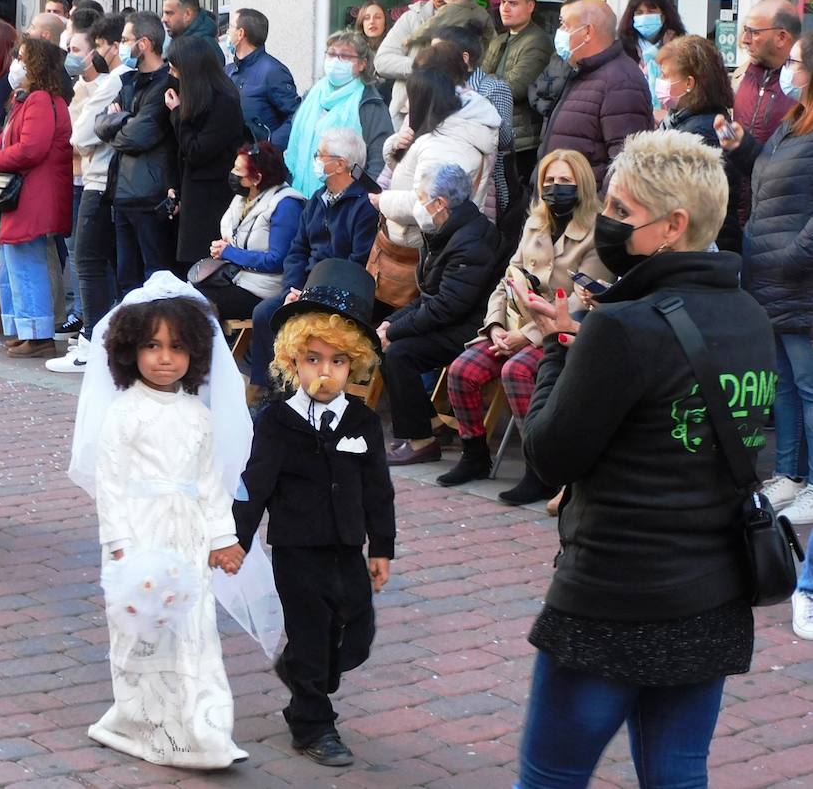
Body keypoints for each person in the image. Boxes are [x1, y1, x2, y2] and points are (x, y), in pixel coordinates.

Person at [514, 129, 775, 788]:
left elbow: (549, 452)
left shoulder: (623, 324)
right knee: (678, 773)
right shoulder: (749, 315)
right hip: (711, 591)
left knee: (551, 775)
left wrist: (553, 346)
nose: (607, 221)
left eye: (623, 212)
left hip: (612, 592)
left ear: (673, 226)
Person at [72, 281, 249, 770]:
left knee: (194, 628)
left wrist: (222, 537)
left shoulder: (198, 416)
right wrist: (121, 546)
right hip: (141, 533)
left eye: (176, 347)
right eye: (152, 346)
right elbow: (110, 484)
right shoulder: (124, 413)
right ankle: (138, 720)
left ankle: (204, 730)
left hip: (188, 534)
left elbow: (210, 481)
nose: (164, 359)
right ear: (130, 351)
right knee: (141, 631)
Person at [234, 258, 394, 767]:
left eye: (337, 362)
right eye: (312, 360)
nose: (324, 373)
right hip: (297, 549)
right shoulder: (277, 422)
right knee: (309, 634)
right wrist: (235, 540)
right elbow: (254, 485)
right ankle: (313, 723)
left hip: (347, 545)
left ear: (355, 365)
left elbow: (378, 490)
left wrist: (382, 547)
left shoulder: (363, 422)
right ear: (292, 362)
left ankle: (307, 673)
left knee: (356, 633)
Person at [438, 148, 606, 502]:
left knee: (516, 371)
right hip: (514, 321)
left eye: (565, 181)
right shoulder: (535, 223)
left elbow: (581, 300)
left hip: (560, 330)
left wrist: (527, 336)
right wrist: (496, 325)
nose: (555, 187)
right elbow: (507, 279)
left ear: (582, 185)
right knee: (461, 370)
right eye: (549, 180)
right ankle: (474, 454)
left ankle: (539, 468)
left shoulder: (596, 233)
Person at [719, 30, 813, 529]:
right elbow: (772, 176)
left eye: (797, 64)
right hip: (771, 271)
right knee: (784, 385)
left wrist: (796, 256)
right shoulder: (795, 122)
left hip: (797, 277)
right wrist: (742, 148)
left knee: (808, 384)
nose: (789, 74)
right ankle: (789, 474)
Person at [374, 161, 500, 465]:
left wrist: (393, 332)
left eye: (421, 198)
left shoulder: (470, 240)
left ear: (440, 203)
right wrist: (391, 322)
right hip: (455, 319)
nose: (419, 204)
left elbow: (446, 306)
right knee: (390, 342)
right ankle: (428, 424)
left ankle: (422, 441)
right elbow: (430, 295)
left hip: (475, 328)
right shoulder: (450, 231)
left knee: (399, 353)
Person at [249, 127, 380, 393]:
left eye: (320, 156)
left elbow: (357, 262)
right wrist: (292, 290)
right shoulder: (318, 199)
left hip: (342, 294)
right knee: (265, 313)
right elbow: (298, 250)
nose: (316, 161)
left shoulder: (365, 205)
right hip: (307, 286)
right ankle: (272, 390)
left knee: (304, 323)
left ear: (340, 164)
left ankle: (307, 388)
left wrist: (316, 294)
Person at [48, 14, 130, 374]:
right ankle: (91, 338)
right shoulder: (100, 85)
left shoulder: (116, 81)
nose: (87, 55)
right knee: (92, 262)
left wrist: (101, 125)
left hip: (99, 180)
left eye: (93, 46)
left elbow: (80, 135)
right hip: (98, 177)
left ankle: (94, 340)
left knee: (89, 262)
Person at [0, 37, 73, 359]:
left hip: (35, 193)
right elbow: (10, 137)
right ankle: (26, 330)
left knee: (26, 262)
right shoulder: (28, 99)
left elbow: (31, 148)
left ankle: (38, 335)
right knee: (14, 261)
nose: (16, 64)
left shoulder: (39, 100)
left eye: (22, 58)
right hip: (29, 192)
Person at [371, 57, 500, 253]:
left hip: (422, 247)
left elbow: (429, 205)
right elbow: (410, 170)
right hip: (429, 245)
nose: (406, 104)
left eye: (411, 97)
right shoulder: (448, 129)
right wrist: (396, 144)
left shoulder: (444, 145)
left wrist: (383, 201)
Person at [95, 12, 178, 293]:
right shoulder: (128, 81)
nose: (120, 46)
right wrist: (123, 120)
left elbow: (139, 136)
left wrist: (119, 122)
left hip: (150, 195)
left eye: (126, 40)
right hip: (122, 193)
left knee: (155, 277)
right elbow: (99, 123)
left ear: (143, 43)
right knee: (126, 278)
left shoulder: (165, 82)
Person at [537, 0, 654, 189]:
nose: (560, 33)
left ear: (587, 32)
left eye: (565, 26)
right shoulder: (583, 71)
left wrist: (596, 213)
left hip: (585, 212)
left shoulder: (621, 81)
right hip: (560, 208)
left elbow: (626, 167)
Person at [196, 141, 305, 320]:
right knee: (190, 294)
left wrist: (229, 252)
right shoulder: (243, 198)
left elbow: (277, 260)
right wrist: (223, 247)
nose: (232, 174)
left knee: (198, 304)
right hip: (239, 278)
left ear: (257, 179)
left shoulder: (286, 205)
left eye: (239, 171)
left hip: (264, 290)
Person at [655, 35, 741, 252]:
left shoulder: (701, 131)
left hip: (705, 244)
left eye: (666, 77)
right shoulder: (683, 120)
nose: (661, 83)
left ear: (689, 83)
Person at [283, 29, 393, 196]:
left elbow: (379, 158)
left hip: (346, 199)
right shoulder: (313, 94)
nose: (336, 61)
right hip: (300, 194)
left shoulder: (369, 104)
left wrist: (360, 198)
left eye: (345, 56)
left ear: (362, 64)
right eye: (332, 54)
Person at [166, 35, 244, 267]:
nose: (172, 75)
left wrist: (177, 113)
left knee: (204, 268)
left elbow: (197, 151)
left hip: (212, 198)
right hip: (192, 194)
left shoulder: (223, 101)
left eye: (175, 70)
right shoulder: (196, 96)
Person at [430, 27, 514, 219]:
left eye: (438, 53)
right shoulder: (435, 88)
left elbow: (505, 140)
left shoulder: (493, 88)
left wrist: (477, 112)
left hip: (485, 188)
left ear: (464, 58)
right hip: (441, 185)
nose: (431, 59)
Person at [732, 0, 801, 223]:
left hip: (777, 221)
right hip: (735, 215)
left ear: (781, 37)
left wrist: (744, 147)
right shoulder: (742, 75)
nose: (744, 40)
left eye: (753, 32)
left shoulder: (802, 88)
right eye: (745, 30)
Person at [482, 0, 553, 192]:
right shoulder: (500, 39)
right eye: (503, 2)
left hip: (521, 141)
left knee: (514, 203)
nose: (505, 8)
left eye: (513, 3)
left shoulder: (537, 41)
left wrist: (487, 83)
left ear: (530, 6)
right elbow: (477, 81)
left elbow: (515, 87)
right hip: (498, 134)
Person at [375, 0, 455, 128]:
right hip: (407, 116)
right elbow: (381, 61)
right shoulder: (412, 17)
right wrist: (422, 66)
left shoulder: (469, 18)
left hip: (452, 114)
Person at [224, 8, 300, 149]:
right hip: (232, 159)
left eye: (231, 27)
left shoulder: (273, 72)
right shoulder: (229, 71)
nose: (227, 32)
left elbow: (296, 116)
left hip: (259, 162)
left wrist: (268, 146)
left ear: (241, 34)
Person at [618, 0, 686, 120]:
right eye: (639, 13)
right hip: (633, 119)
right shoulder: (623, 51)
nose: (645, 16)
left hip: (673, 122)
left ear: (663, 16)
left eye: (651, 11)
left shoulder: (681, 48)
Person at [403, 0, 494, 54]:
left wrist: (411, 39)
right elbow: (491, 35)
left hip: (451, 54)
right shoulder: (482, 11)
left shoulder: (448, 10)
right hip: (473, 56)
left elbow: (430, 26)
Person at [161, 0, 224, 66]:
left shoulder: (204, 48)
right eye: (164, 13)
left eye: (169, 13)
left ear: (187, 14)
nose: (163, 19)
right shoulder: (182, 40)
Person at [352, 2, 393, 105]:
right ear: (362, 23)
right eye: (366, 18)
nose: (372, 22)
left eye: (377, 17)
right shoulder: (352, 51)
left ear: (385, 22)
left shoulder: (395, 49)